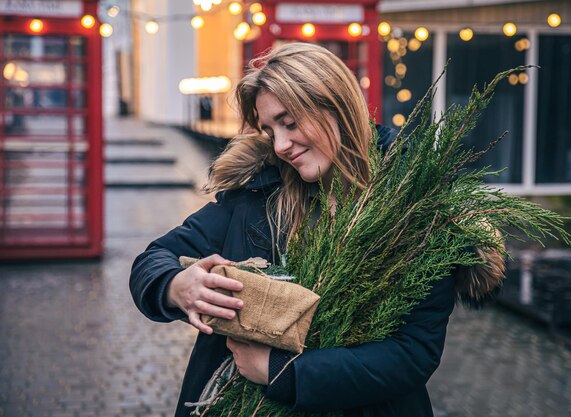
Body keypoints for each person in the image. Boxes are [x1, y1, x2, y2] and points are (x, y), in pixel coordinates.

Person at [130, 42, 503, 417]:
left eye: (290, 123)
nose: (280, 145)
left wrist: (284, 374)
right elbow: (152, 260)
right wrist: (177, 286)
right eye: (269, 129)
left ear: (338, 106)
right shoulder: (256, 194)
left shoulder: (416, 209)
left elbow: (412, 352)